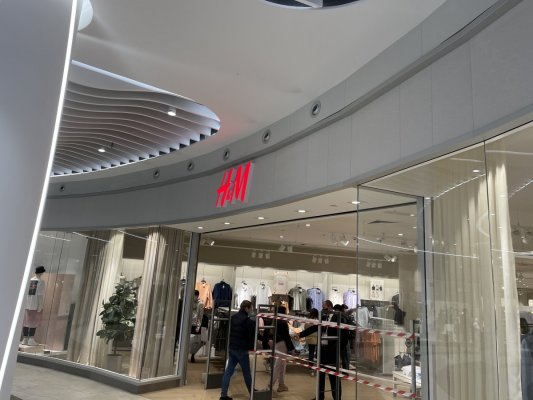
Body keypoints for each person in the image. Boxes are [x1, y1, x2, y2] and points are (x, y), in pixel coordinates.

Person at [298, 300, 345, 400]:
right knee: (320, 376)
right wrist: (300, 334)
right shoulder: (323, 317)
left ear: (329, 307)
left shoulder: (338, 317)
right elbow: (315, 328)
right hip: (322, 351)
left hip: (333, 352)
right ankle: (319, 397)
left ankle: (337, 398)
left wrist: (339, 349)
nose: (322, 309)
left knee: (334, 378)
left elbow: (343, 335)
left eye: (324, 307)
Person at [220, 300, 255, 400]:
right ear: (246, 308)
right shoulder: (247, 321)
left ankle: (223, 395)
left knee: (228, 372)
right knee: (247, 373)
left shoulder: (233, 318)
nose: (252, 310)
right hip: (242, 350)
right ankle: (252, 393)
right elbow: (251, 335)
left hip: (232, 348)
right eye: (251, 308)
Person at [270, 305, 296, 393]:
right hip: (282, 345)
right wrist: (292, 348)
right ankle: (270, 386)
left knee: (282, 366)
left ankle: (281, 384)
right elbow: (286, 337)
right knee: (278, 366)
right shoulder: (282, 322)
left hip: (277, 344)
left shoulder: (275, 321)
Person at [21, 266, 46, 346]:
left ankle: (25, 339)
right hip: (35, 305)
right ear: (42, 272)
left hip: (27, 304)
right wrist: (40, 306)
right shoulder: (41, 282)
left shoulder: (30, 280)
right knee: (34, 322)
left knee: (26, 322)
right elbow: (40, 295)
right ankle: (31, 339)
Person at [190, 290, 204, 363]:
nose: (193, 297)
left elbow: (200, 316)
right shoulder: (190, 302)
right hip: (189, 324)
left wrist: (198, 326)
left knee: (195, 341)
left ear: (197, 296)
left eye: (194, 296)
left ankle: (193, 355)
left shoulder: (200, 304)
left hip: (195, 325)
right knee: (189, 340)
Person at [305, 308, 319, 376]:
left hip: (310, 338)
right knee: (318, 353)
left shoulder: (308, 320)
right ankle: (318, 368)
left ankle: (310, 368)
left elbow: (305, 328)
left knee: (311, 353)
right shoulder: (318, 320)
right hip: (317, 338)